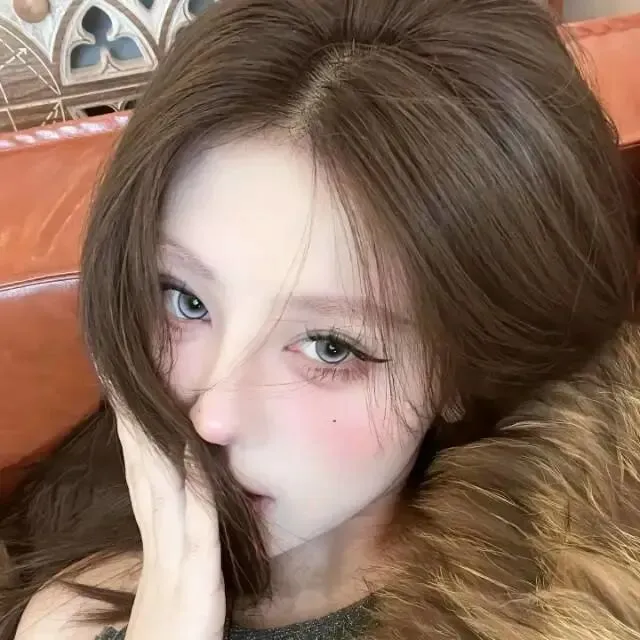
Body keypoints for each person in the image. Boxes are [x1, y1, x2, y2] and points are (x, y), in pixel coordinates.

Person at [1, 0, 640, 638]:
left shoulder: (565, 603)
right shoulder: (78, 621)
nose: (212, 417)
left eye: (331, 346)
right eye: (186, 300)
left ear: (460, 369)